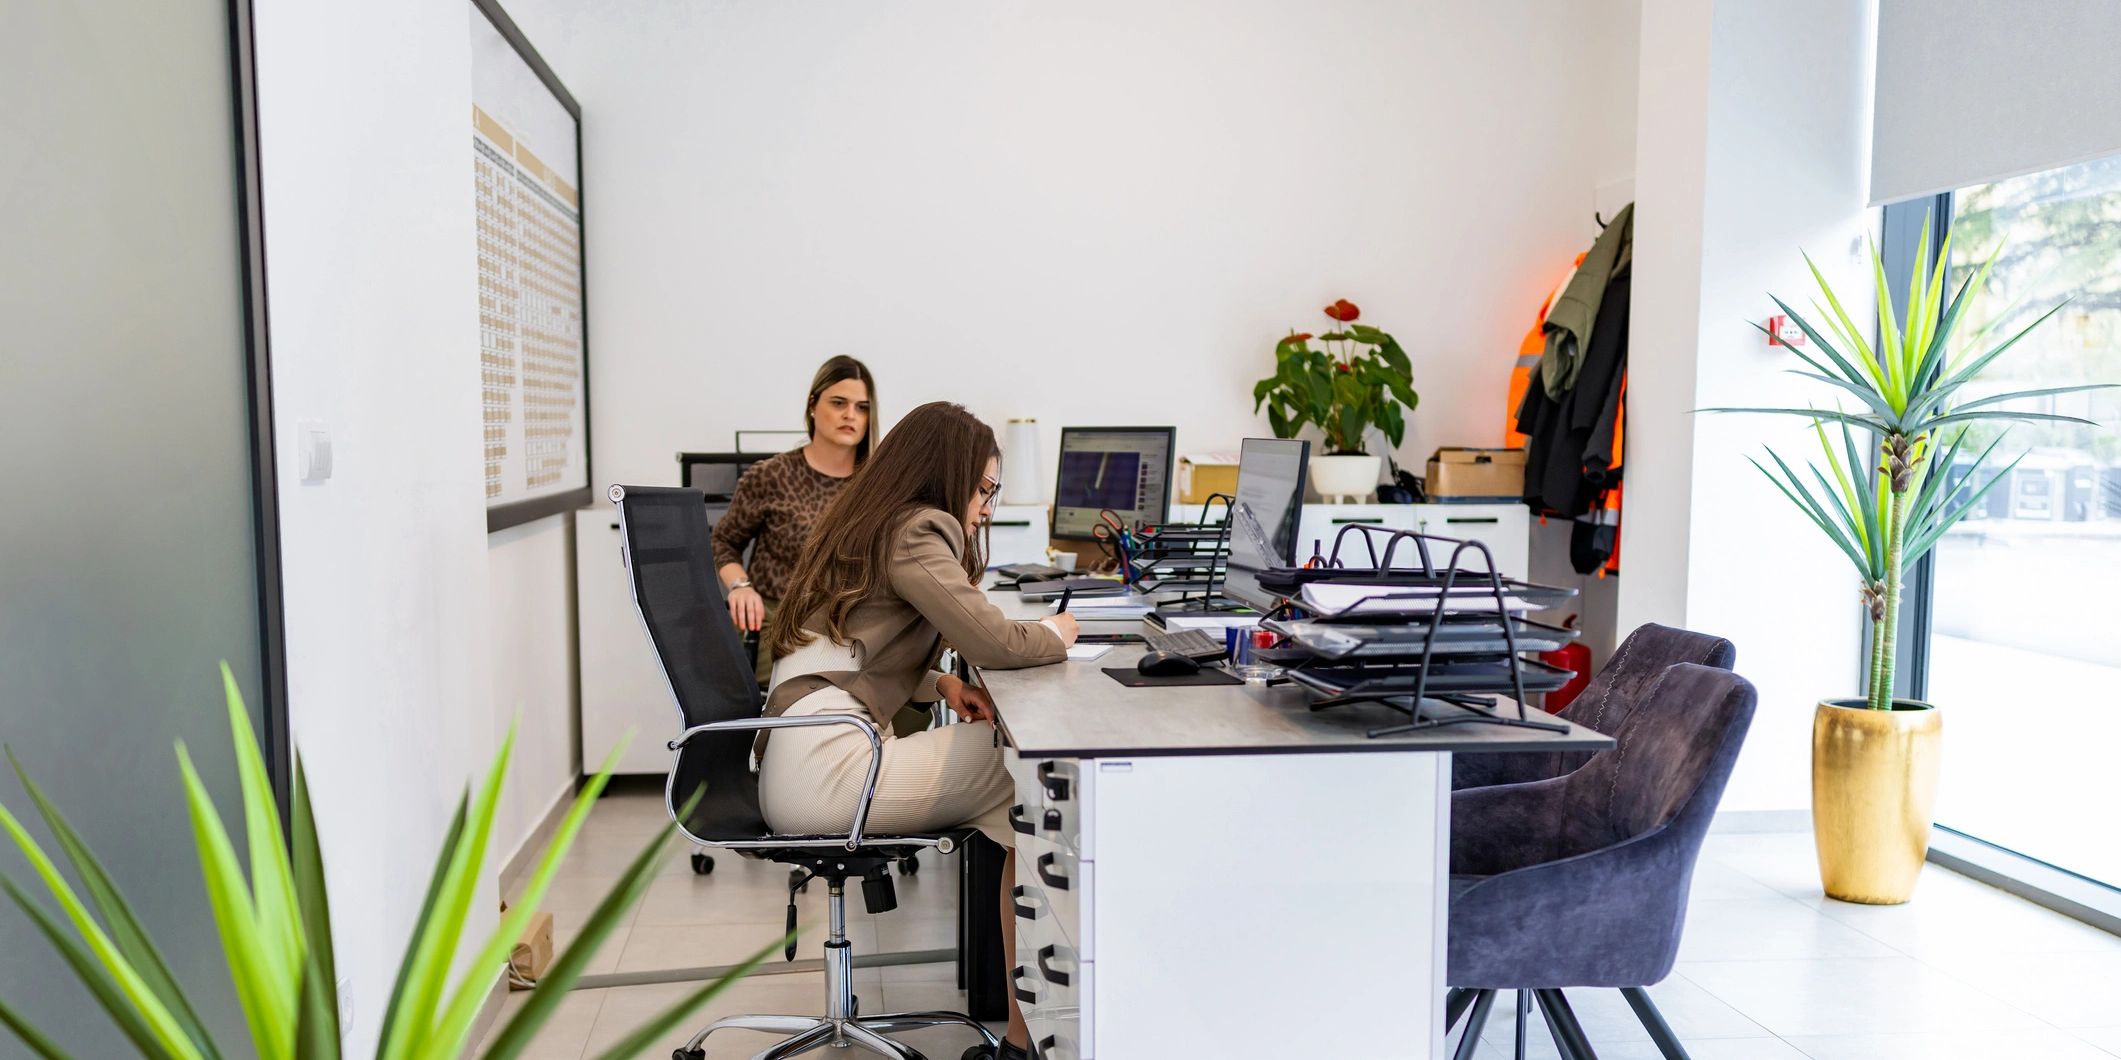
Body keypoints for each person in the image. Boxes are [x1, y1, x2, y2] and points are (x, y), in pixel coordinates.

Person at [758, 401, 1077, 1060]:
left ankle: (1025, 1036)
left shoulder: (871, 521)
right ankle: (1029, 1041)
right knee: (1033, 771)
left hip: (798, 755)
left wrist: (943, 685)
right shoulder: (918, 529)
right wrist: (1054, 633)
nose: (986, 507)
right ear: (947, 475)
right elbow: (995, 640)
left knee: (1016, 776)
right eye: (983, 489)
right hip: (825, 770)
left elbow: (852, 647)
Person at [712, 355, 876, 687]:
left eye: (862, 407)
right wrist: (740, 587)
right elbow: (723, 542)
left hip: (850, 627)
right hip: (780, 624)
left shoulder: (876, 484)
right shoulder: (772, 475)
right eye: (839, 403)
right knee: (787, 719)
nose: (850, 415)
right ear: (813, 406)